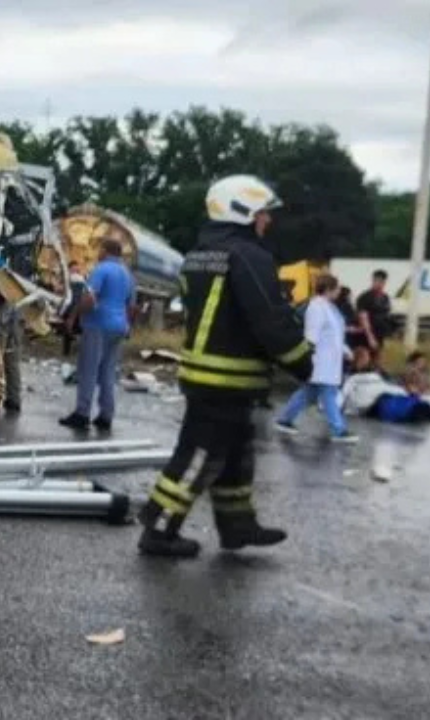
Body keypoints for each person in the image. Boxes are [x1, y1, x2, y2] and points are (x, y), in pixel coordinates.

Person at [135, 174, 313, 559]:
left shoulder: (200, 253)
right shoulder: (249, 256)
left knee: (235, 454)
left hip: (209, 373)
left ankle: (237, 526)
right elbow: (270, 318)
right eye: (264, 213)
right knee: (199, 455)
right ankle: (159, 529)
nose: (268, 221)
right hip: (227, 377)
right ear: (244, 210)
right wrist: (303, 362)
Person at [59, 239, 136, 432]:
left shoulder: (101, 269)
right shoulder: (128, 274)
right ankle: (105, 415)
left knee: (88, 370)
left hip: (98, 324)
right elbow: (132, 306)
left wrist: (74, 316)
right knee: (108, 372)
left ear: (105, 250)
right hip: (119, 327)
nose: (97, 252)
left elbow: (90, 298)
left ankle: (82, 413)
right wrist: (127, 326)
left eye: (98, 249)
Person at [273, 274, 359, 442]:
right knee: (328, 394)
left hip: (329, 361)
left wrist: (346, 350)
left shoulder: (330, 307)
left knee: (308, 393)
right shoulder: (316, 307)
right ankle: (338, 430)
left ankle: (285, 420)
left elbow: (335, 335)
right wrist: (308, 357)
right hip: (320, 361)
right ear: (328, 289)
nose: (339, 291)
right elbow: (312, 335)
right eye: (337, 288)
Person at [355, 269, 393, 368]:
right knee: (365, 361)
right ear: (373, 280)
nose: (379, 283)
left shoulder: (385, 297)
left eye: (382, 281)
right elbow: (363, 318)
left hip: (380, 335)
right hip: (366, 336)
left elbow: (386, 315)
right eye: (377, 280)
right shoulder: (365, 297)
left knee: (377, 362)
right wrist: (370, 337)